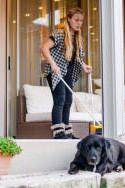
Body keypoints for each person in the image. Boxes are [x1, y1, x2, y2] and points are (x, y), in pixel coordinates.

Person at [40, 7, 92, 139]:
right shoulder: (59, 34)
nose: (79, 23)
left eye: (81, 20)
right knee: (60, 99)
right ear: (69, 19)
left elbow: (77, 58)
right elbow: (44, 48)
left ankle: (66, 131)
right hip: (56, 71)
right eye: (76, 20)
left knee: (68, 100)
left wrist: (84, 66)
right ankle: (58, 132)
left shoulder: (77, 37)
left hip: (68, 71)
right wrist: (53, 64)